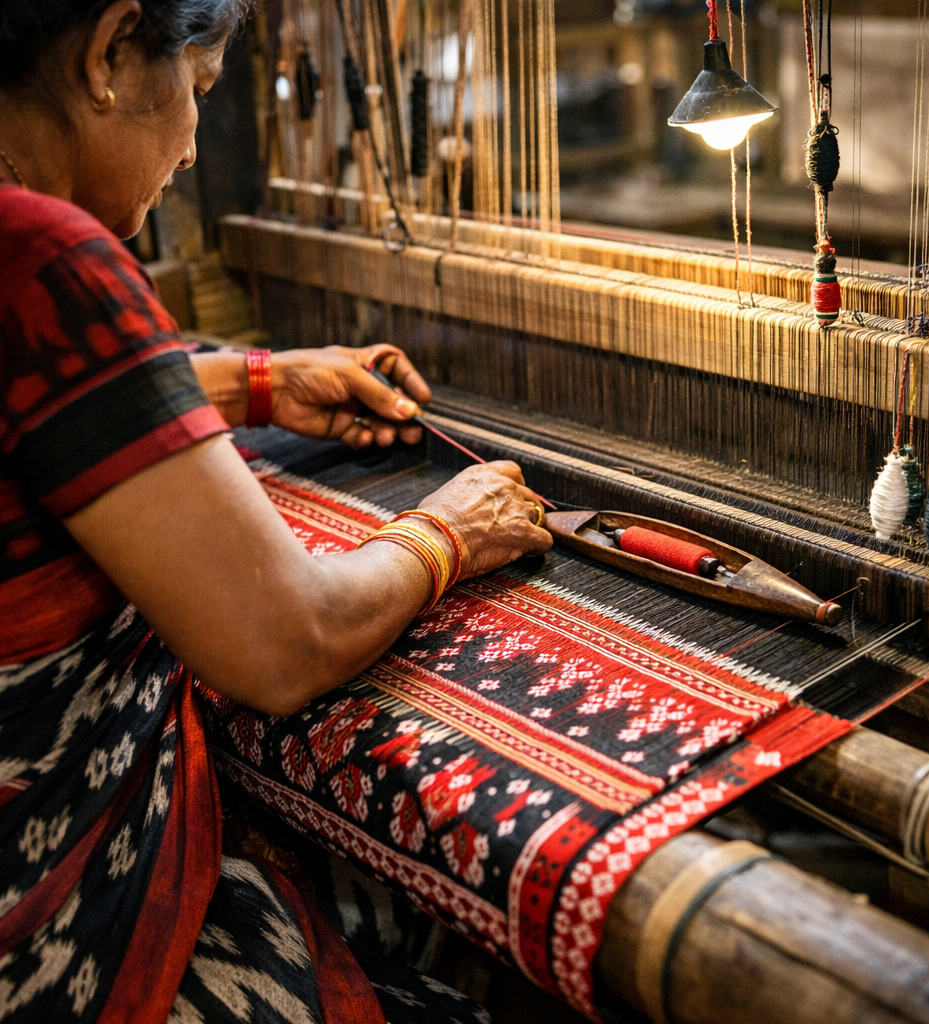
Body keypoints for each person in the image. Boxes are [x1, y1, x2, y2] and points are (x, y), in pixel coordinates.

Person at [0, 1, 552, 1020]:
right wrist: (448, 532)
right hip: (47, 949)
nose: (196, 139)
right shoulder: (41, 256)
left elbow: (38, 405)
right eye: (201, 91)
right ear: (111, 52)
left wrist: (254, 383)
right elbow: (284, 642)